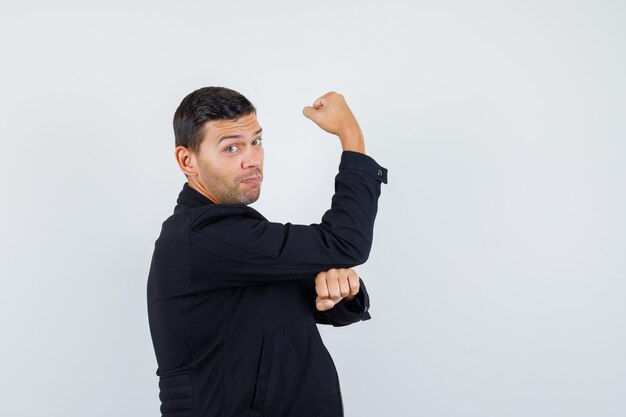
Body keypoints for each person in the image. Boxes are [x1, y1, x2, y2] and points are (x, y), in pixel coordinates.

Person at [147, 86, 388, 417]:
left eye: (256, 142)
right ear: (187, 160)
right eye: (232, 148)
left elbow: (306, 300)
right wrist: (351, 135)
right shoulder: (202, 235)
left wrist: (342, 293)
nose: (252, 160)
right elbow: (345, 242)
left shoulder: (233, 233)